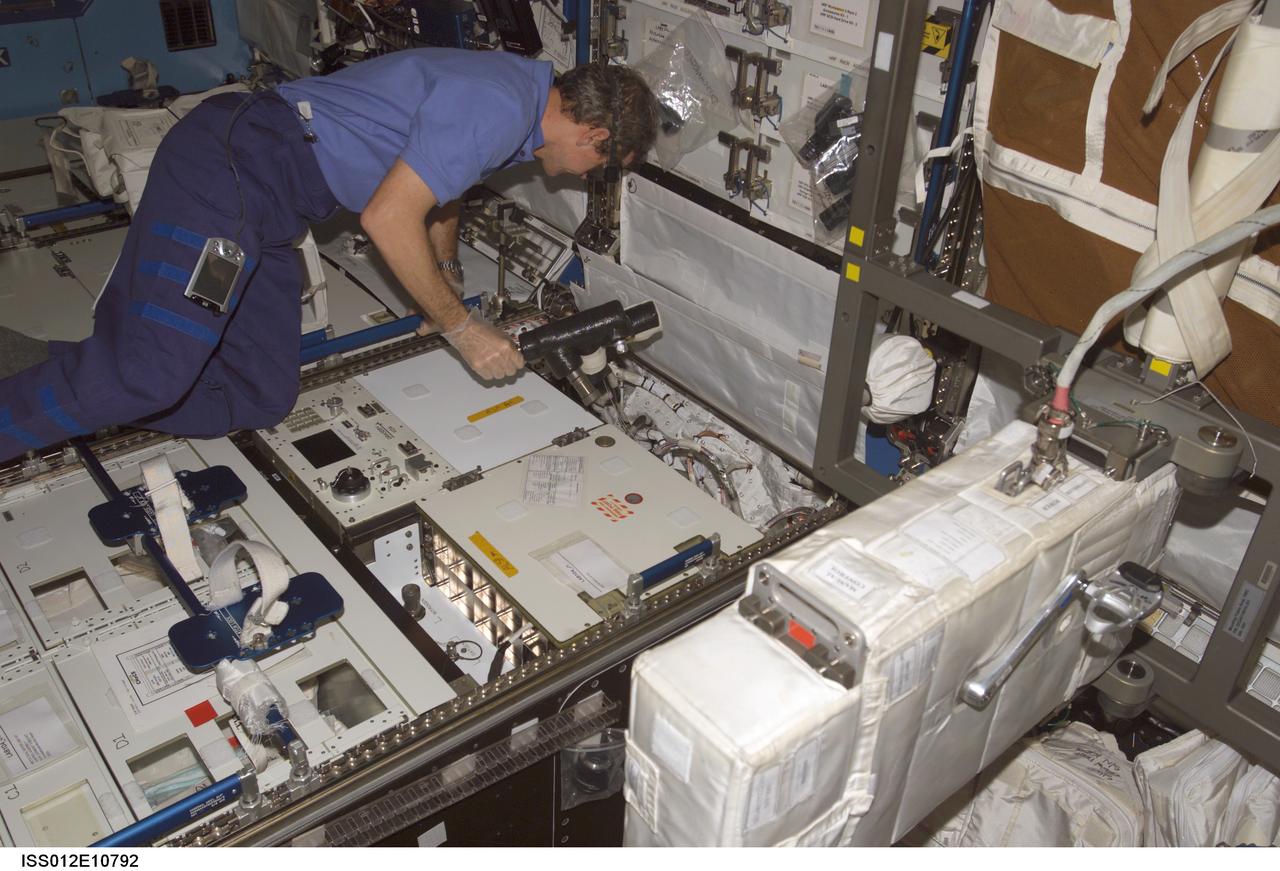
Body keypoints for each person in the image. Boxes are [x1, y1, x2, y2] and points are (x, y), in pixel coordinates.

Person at [0, 49, 658, 464]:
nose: (582, 178)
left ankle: (44, 367)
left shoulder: (517, 101)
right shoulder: (498, 106)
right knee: (150, 376)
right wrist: (462, 328)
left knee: (259, 394)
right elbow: (386, 216)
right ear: (593, 133)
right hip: (230, 173)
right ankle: (50, 398)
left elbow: (441, 190)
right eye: (599, 167)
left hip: (269, 209)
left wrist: (448, 276)